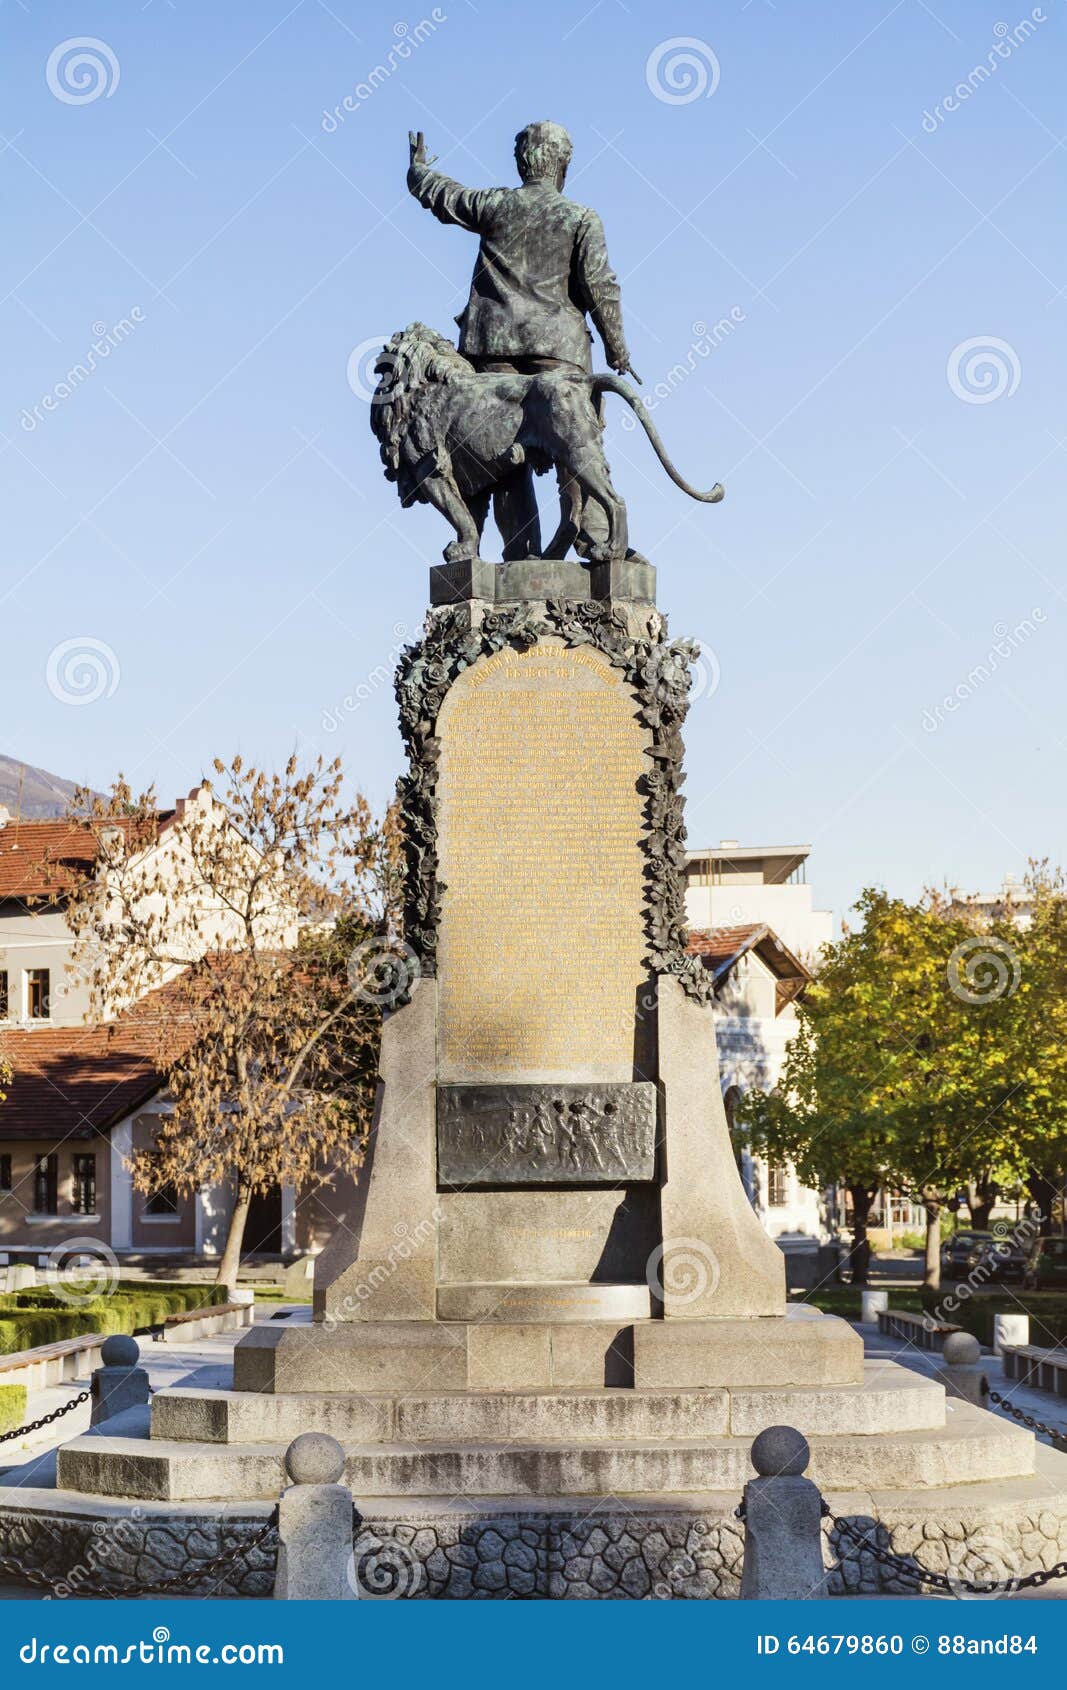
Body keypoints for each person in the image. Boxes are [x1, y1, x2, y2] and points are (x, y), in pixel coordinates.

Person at [407, 122, 633, 558]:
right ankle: (597, 540)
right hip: (560, 353)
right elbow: (600, 285)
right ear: (563, 166)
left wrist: (418, 170)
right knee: (575, 444)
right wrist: (616, 346)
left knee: (502, 459)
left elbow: (444, 195)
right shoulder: (581, 218)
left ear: (520, 163)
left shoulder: (495, 205)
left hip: (494, 354)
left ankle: (520, 551)